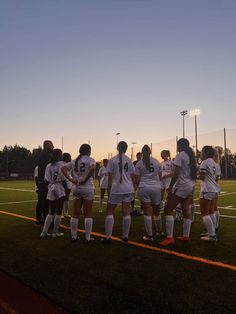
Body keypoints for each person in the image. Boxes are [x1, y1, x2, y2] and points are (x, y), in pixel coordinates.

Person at [159, 138, 197, 246]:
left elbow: (176, 173)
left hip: (182, 186)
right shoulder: (190, 155)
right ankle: (186, 236)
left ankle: (169, 237)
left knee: (167, 209)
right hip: (190, 185)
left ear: (180, 145)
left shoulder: (180, 155)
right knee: (186, 208)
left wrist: (171, 187)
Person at [102, 141, 135, 243]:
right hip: (128, 188)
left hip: (117, 188)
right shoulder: (129, 160)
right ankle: (125, 236)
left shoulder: (112, 160)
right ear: (126, 149)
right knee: (126, 211)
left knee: (110, 211)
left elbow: (110, 177)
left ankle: (108, 237)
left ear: (117, 147)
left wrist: (109, 188)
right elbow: (132, 175)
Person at [62, 144, 96, 242]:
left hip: (76, 187)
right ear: (89, 151)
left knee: (75, 213)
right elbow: (93, 168)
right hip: (87, 187)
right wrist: (85, 179)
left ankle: (73, 236)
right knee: (88, 213)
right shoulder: (90, 160)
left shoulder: (74, 161)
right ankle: (88, 238)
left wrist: (71, 179)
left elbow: (63, 168)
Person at [135, 145, 162, 241]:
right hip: (156, 188)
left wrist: (139, 187)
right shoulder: (156, 161)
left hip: (144, 187)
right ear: (150, 152)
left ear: (142, 153)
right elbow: (160, 176)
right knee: (156, 211)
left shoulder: (139, 164)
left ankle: (150, 235)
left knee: (147, 211)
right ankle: (159, 231)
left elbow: (137, 179)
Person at [40, 149, 66, 238]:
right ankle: (55, 232)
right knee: (58, 212)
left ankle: (44, 232)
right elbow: (63, 180)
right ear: (60, 155)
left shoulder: (48, 165)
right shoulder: (62, 165)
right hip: (59, 187)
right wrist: (65, 191)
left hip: (51, 187)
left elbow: (46, 179)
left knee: (51, 212)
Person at [199, 146, 219, 241]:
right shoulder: (214, 162)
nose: (201, 153)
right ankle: (212, 231)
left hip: (207, 189)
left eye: (202, 152)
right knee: (211, 211)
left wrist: (194, 174)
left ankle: (212, 235)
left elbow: (202, 177)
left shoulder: (205, 162)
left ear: (206, 153)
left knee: (204, 213)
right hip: (214, 189)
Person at [37, 140, 54, 224]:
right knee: (46, 203)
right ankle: (47, 222)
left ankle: (41, 219)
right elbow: (47, 170)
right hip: (45, 183)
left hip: (42, 182)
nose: (53, 147)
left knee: (42, 202)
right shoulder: (46, 155)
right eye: (51, 145)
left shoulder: (43, 155)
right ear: (47, 146)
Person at [61, 153, 72, 218]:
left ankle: (66, 213)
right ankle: (61, 213)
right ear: (65, 157)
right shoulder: (61, 164)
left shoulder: (69, 164)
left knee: (67, 198)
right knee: (62, 198)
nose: (70, 158)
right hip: (63, 182)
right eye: (69, 157)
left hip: (69, 183)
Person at [213, 148, 221, 231]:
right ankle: (215, 225)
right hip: (215, 187)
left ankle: (215, 225)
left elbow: (217, 178)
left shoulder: (215, 164)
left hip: (213, 187)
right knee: (214, 207)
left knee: (213, 207)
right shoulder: (216, 164)